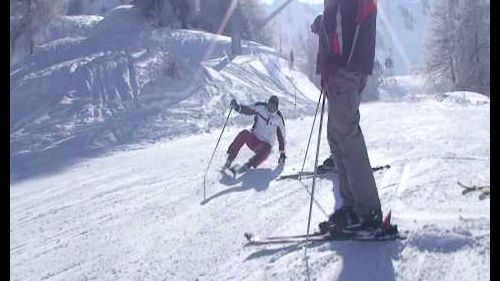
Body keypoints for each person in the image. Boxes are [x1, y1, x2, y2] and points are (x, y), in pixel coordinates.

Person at [312, 0, 383, 235]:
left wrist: (339, 64)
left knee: (346, 134)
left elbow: (353, 22)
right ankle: (352, 205)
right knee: (336, 135)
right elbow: (335, 26)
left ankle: (368, 211)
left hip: (346, 70)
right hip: (340, 72)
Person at [224, 96, 287, 175]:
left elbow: (282, 137)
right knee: (245, 133)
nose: (271, 109)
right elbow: (248, 109)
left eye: (273, 107)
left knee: (268, 149)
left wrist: (282, 153)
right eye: (270, 106)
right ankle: (230, 158)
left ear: (277, 108)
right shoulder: (261, 108)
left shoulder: (278, 119)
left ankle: (249, 165)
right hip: (253, 139)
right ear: (267, 104)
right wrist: (237, 107)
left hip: (263, 147)